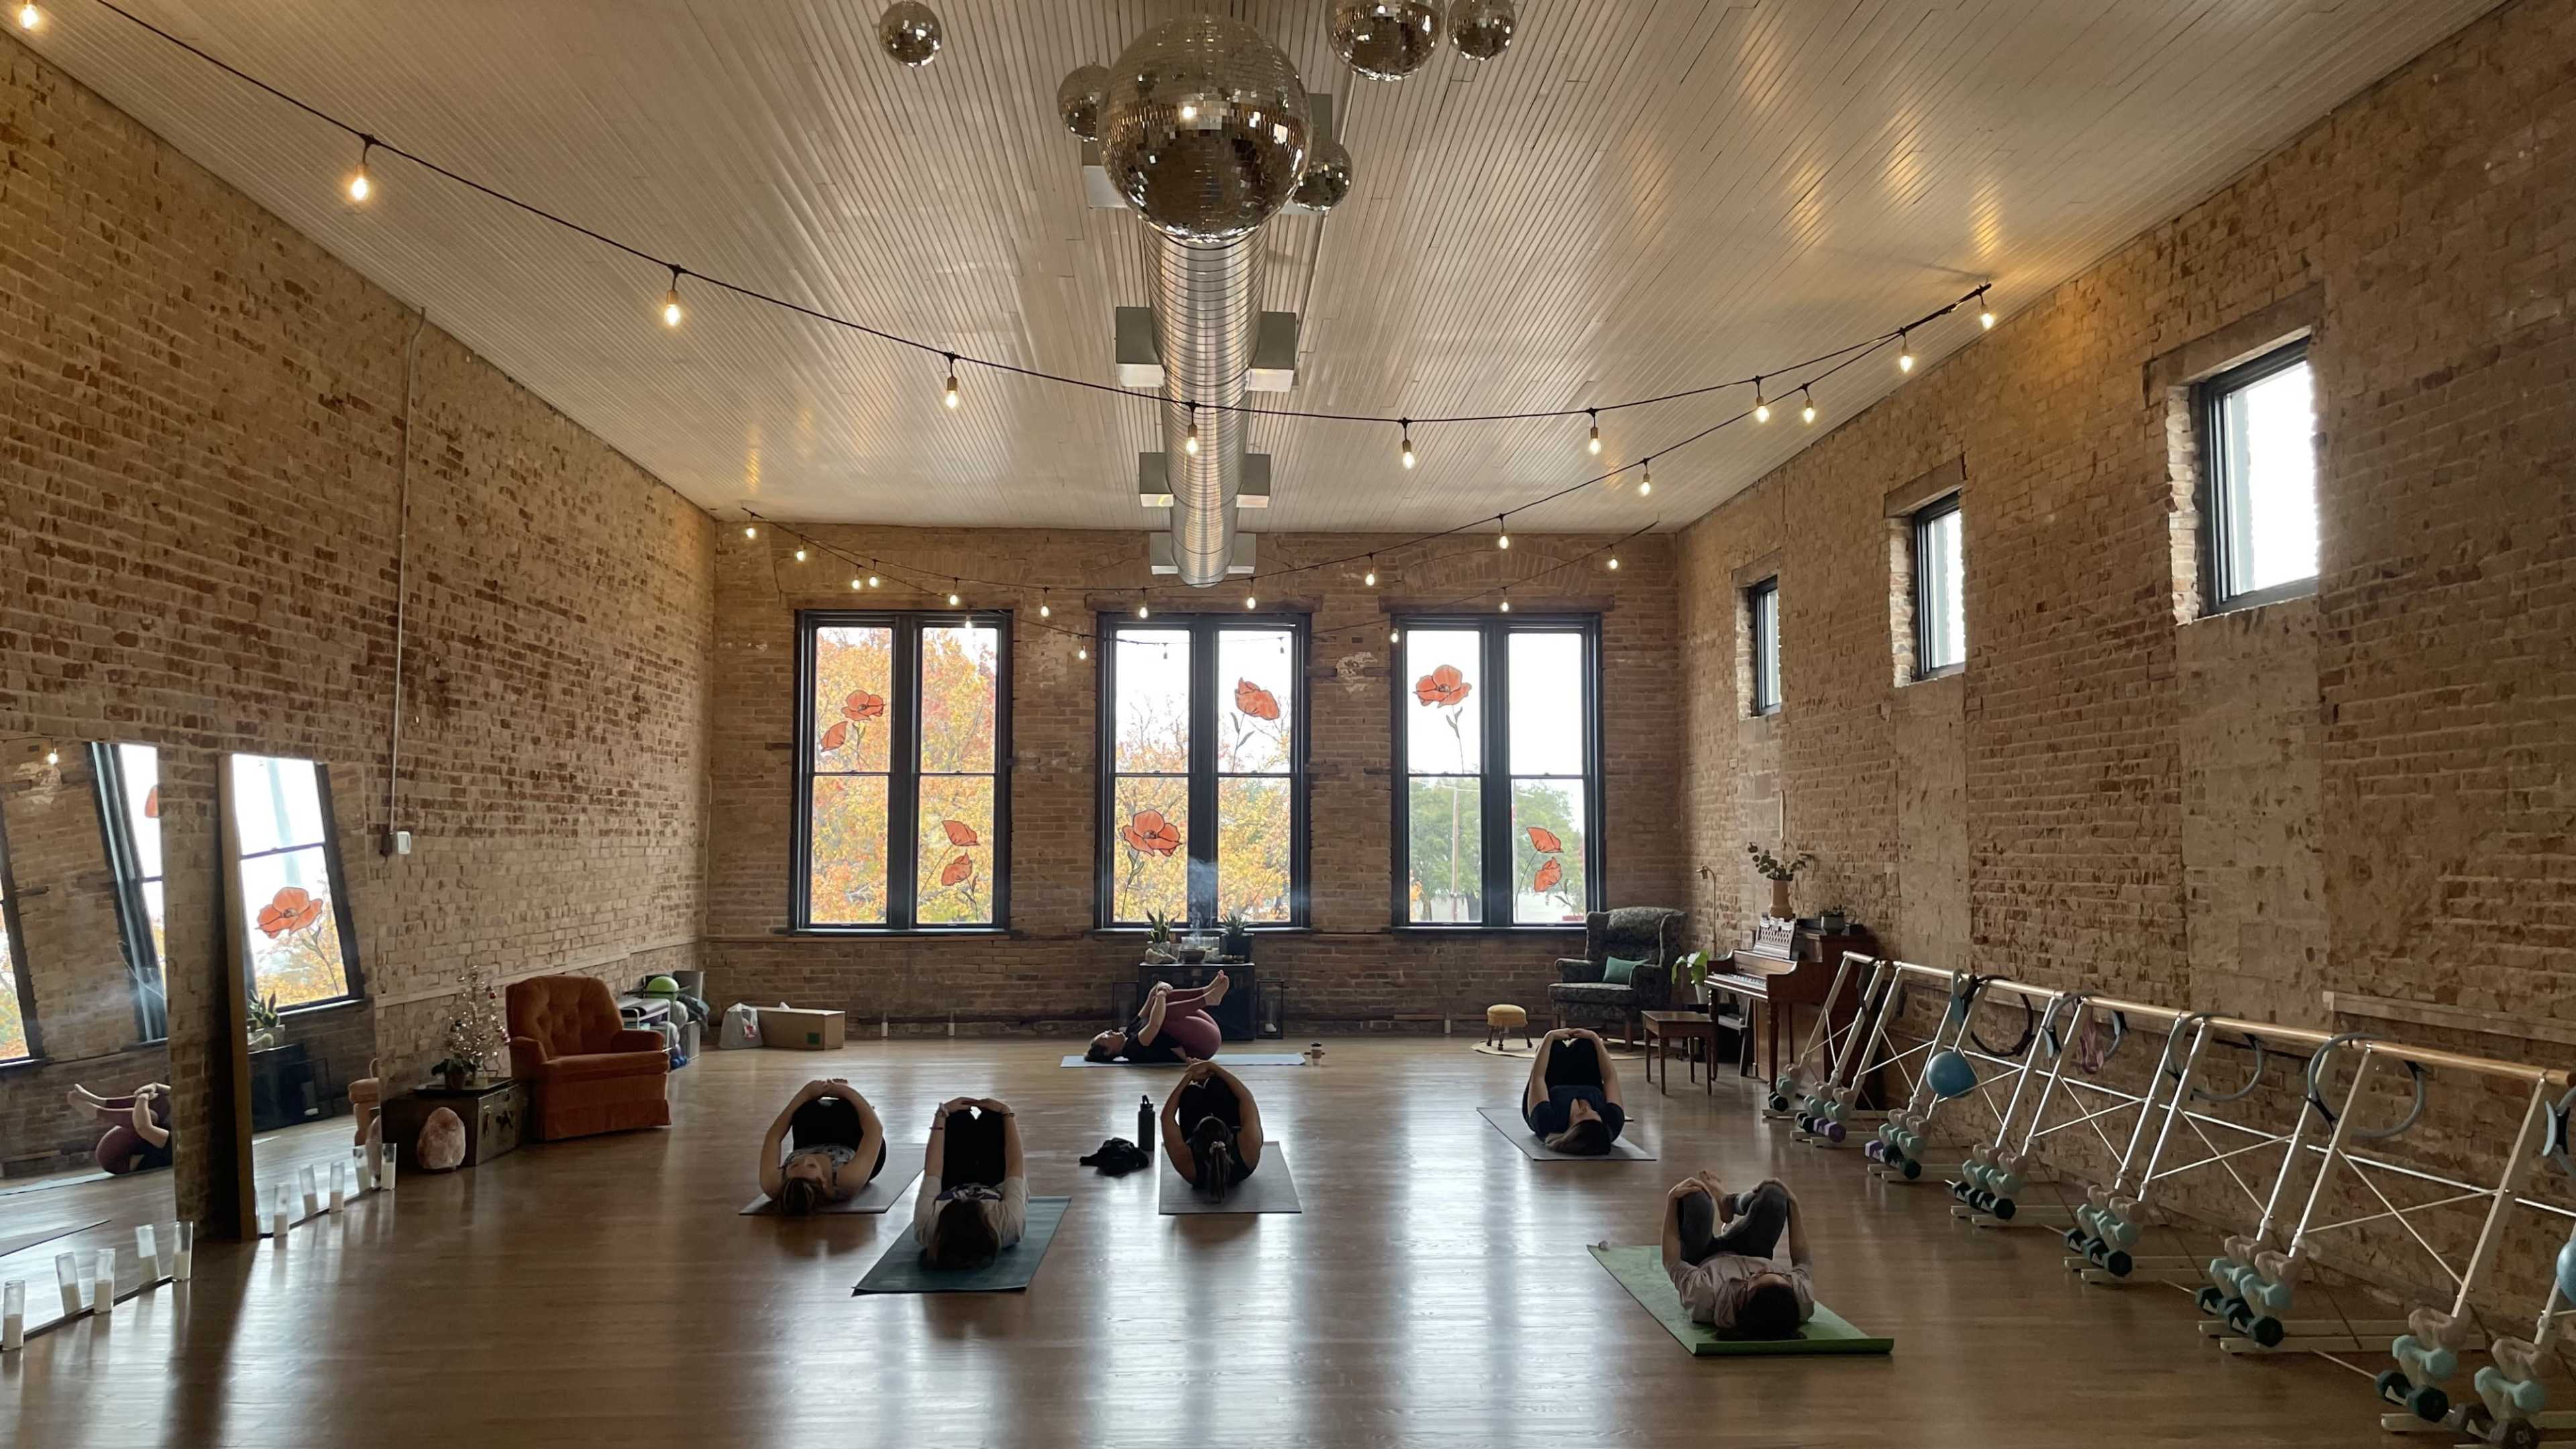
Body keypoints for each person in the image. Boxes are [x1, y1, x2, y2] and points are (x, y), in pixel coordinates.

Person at [1661, 1175, 1814, 1340]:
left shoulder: (1705, 1297)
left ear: (1743, 1300)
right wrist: (1793, 1203)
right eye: (1780, 1275)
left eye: (1756, 1276)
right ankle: (1728, 1201)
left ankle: (1723, 1201)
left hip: (1702, 1257)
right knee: (1775, 1194)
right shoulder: (1800, 1298)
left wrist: (1672, 1200)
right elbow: (1803, 1260)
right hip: (1752, 1251)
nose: (1763, 1269)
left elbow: (1672, 1262)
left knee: (1694, 1197)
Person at [913, 1095, 1027, 1270]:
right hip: (995, 1182)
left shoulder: (928, 1227)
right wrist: (1006, 1113)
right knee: (993, 1119)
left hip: (952, 1181)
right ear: (986, 1220)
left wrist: (941, 1115)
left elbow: (933, 1170)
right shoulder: (1008, 1224)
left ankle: (959, 1118)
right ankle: (993, 1118)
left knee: (958, 1118)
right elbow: (1014, 1166)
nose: (968, 1197)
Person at [757, 1077, 887, 1216]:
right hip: (852, 1146)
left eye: (794, 1165)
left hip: (813, 1142)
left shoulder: (772, 1183)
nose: (805, 1159)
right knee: (846, 1111)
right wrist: (846, 1092)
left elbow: (774, 1136)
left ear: (784, 1178)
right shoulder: (848, 1179)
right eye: (811, 1166)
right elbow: (875, 1130)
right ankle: (860, 1107)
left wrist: (805, 1094)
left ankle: (844, 1105)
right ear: (824, 1182)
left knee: (806, 1111)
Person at [1161, 1059, 1264, 1197]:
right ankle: (1209, 1084)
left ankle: (1200, 1087)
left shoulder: (1187, 1163)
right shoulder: (1248, 1145)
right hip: (1241, 1162)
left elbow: (1166, 1117)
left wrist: (1188, 1077)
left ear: (1193, 1138)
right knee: (1217, 1084)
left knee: (1191, 1093)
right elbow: (1246, 1098)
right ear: (1230, 1134)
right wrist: (1213, 1068)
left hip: (1198, 1165)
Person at [1520, 1026, 1627, 1154]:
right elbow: (1610, 1078)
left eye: (1582, 1114)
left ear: (1571, 1127)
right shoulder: (1613, 1121)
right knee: (1587, 1044)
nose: (1586, 1108)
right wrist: (1595, 1038)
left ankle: (1548, 1048)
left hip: (1552, 1088)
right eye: (1594, 1113)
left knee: (1555, 1047)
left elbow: (1538, 1077)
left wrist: (1548, 1038)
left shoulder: (1546, 1121)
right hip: (1587, 1085)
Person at [1085, 972, 1229, 1064]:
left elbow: (1148, 1004)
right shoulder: (1133, 1049)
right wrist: (1161, 995)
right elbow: (1154, 1025)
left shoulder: (1130, 1033)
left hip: (1206, 1029)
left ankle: (1207, 991)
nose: (1109, 1031)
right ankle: (1207, 1000)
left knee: (1157, 1004)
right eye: (1105, 1037)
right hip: (1204, 1046)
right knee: (1161, 1014)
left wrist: (1158, 987)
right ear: (1108, 1052)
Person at [68, 1083, 174, 1175]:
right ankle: (99, 1101)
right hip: (123, 1145)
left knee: (149, 1116)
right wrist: (154, 1087)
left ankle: (98, 1112)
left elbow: (143, 1127)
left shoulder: (176, 1141)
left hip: (115, 1160)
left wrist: (143, 1097)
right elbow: (171, 1091)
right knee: (159, 1100)